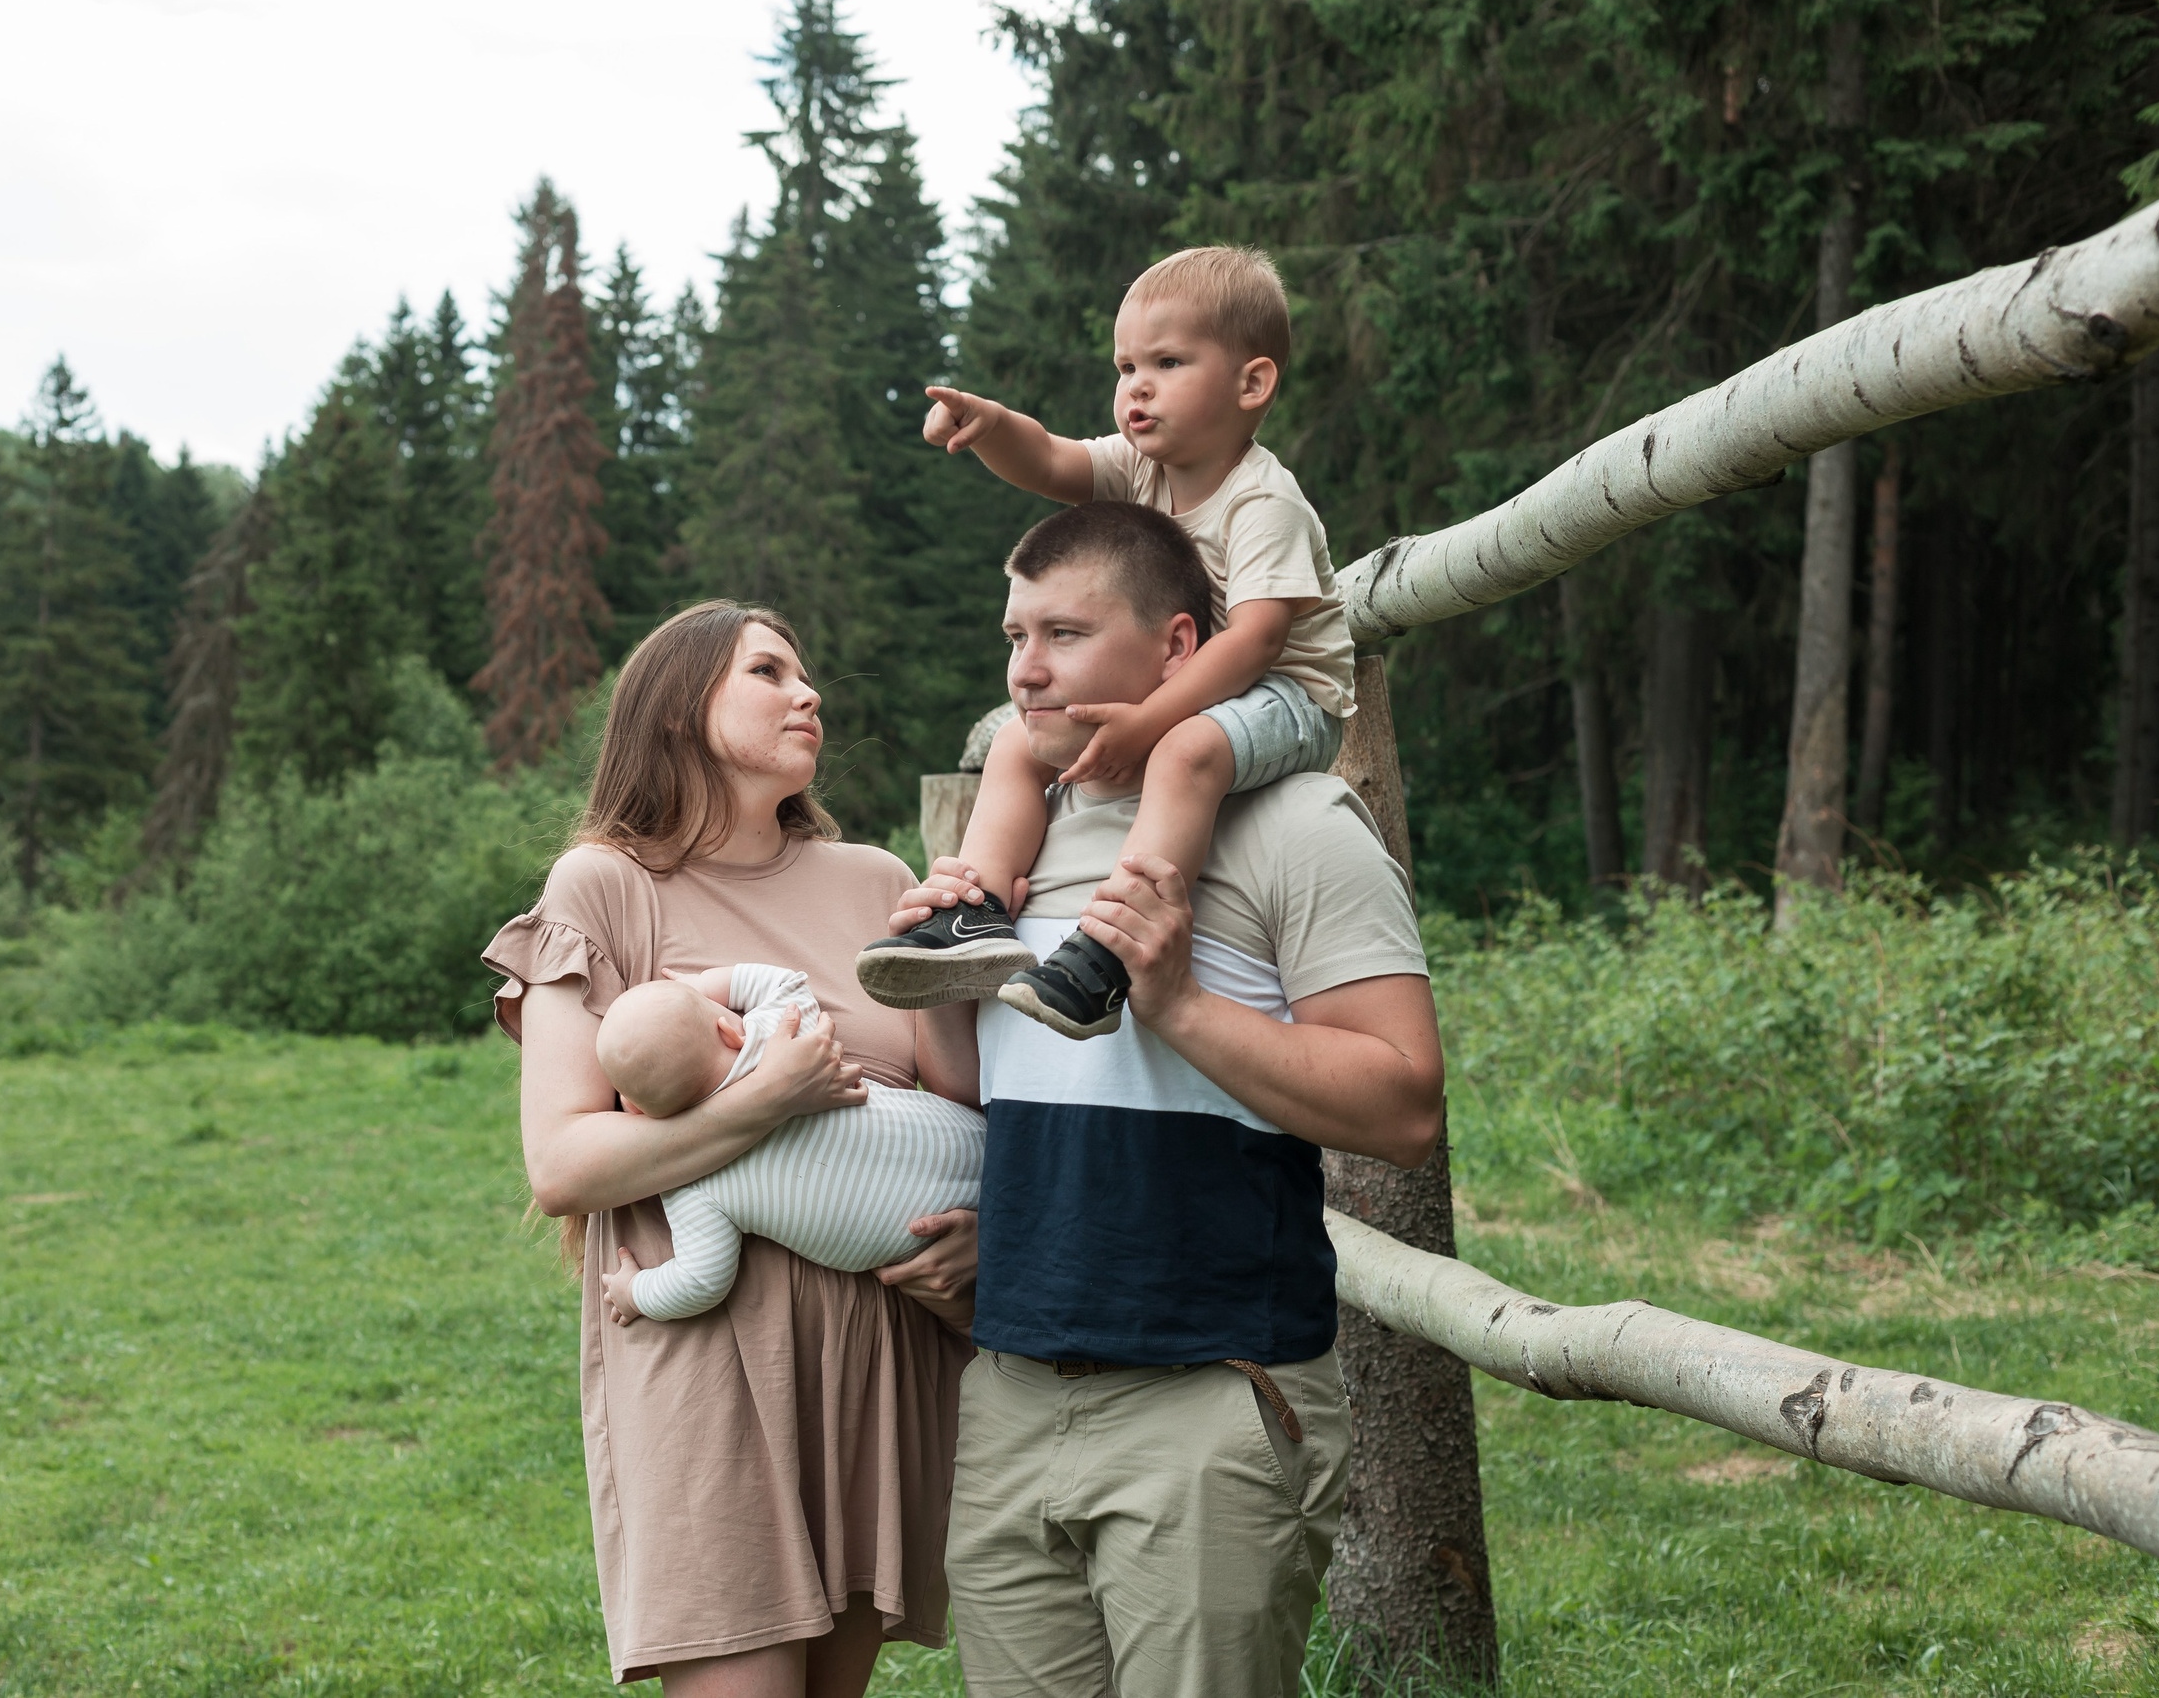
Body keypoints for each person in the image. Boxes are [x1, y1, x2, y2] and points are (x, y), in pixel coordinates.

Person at [888, 504, 1445, 1698]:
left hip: (1209, 1400)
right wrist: (944, 981)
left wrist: (1179, 1000)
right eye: (1013, 633)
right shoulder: (1016, 836)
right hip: (1011, 1395)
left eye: (1065, 633)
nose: (1024, 669)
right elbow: (989, 1092)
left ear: (1179, 645)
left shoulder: (1296, 824)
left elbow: (1404, 1108)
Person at [481, 601, 980, 1696]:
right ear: (676, 712)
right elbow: (562, 1163)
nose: (808, 695)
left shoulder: (871, 879)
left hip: (875, 1351)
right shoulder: (604, 885)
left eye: (806, 675)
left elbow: (961, 1103)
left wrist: (944, 951)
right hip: (707, 1358)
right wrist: (756, 1110)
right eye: (768, 672)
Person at [857, 244, 1357, 1041]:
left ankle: (1109, 953)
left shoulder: (1264, 501)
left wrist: (1150, 718)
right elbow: (1054, 460)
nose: (1137, 387)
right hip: (1190, 680)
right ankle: (975, 909)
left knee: (1186, 751)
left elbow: (1260, 640)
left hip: (1292, 699)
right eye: (1126, 368)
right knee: (1022, 741)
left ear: (1251, 383)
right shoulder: (1140, 466)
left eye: (1167, 361)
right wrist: (992, 427)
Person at [590, 963, 985, 1326]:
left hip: (929, 1237)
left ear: (634, 1110)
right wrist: (702, 985)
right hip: (974, 1146)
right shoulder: (778, 1039)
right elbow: (785, 982)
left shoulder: (686, 1176)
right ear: (727, 1029)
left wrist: (635, 1293)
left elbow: (700, 1281)